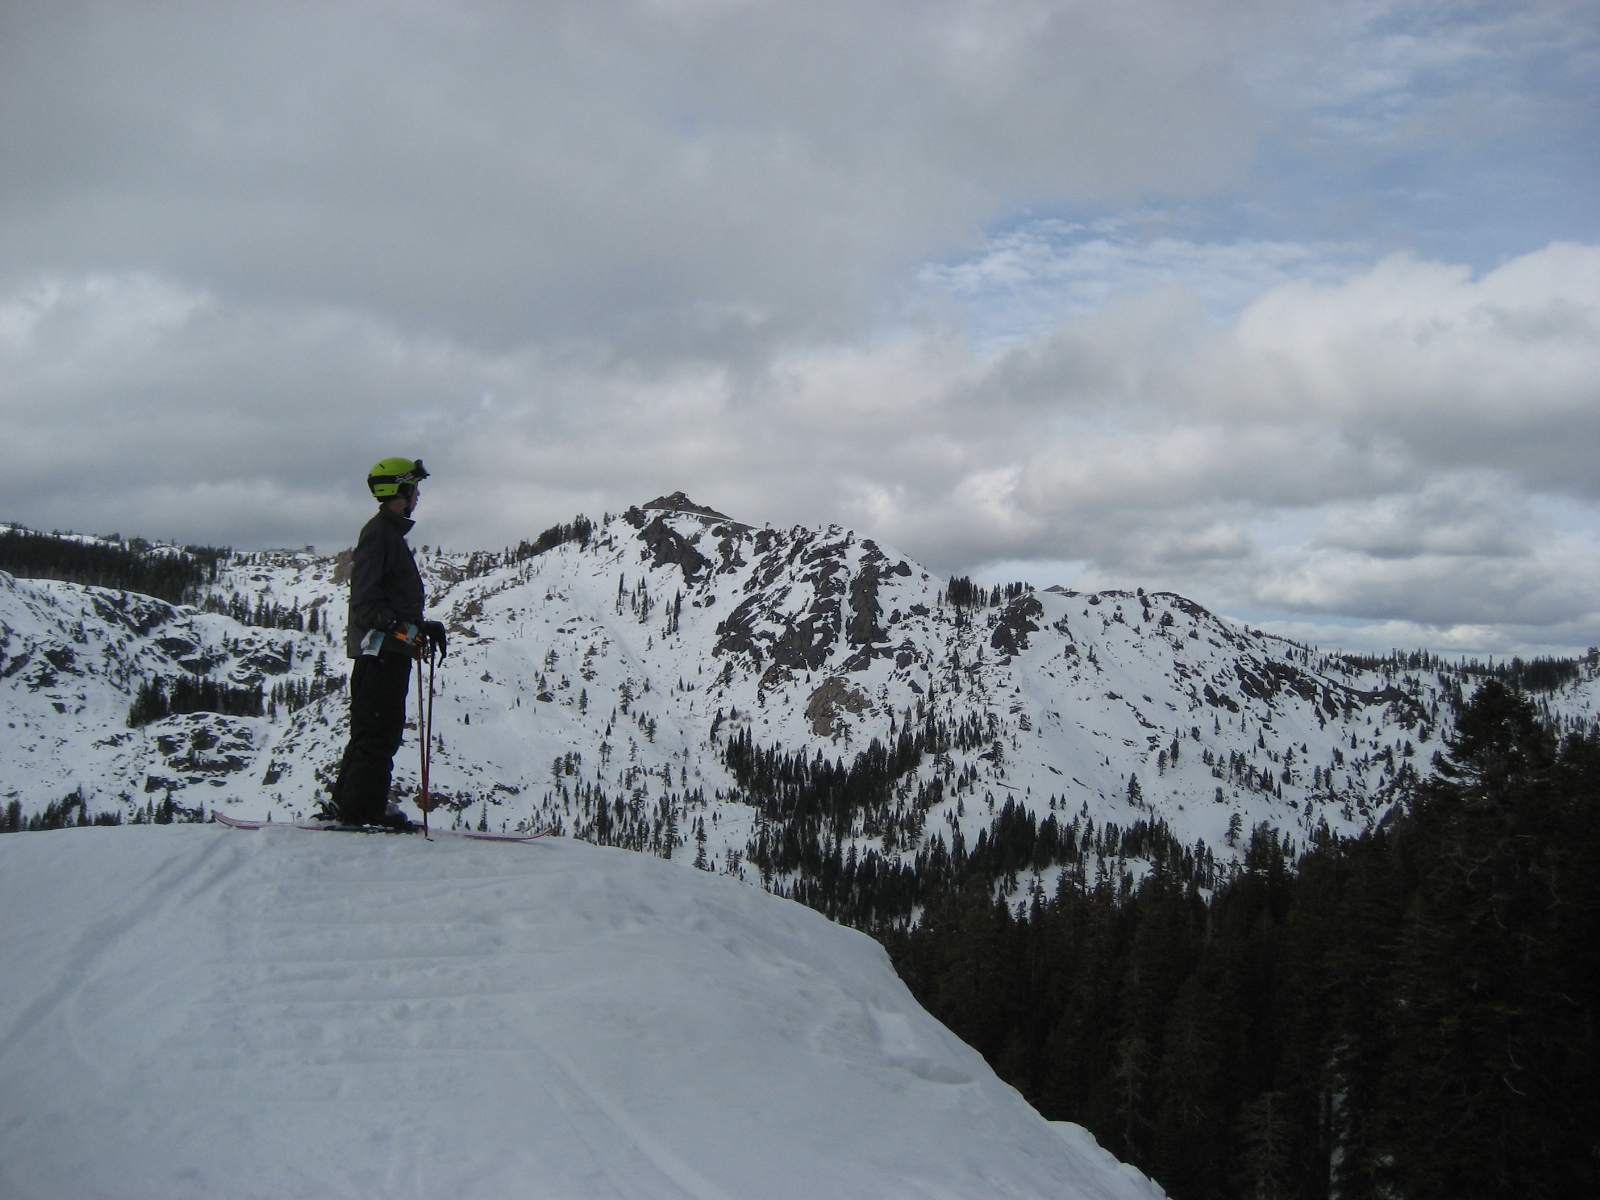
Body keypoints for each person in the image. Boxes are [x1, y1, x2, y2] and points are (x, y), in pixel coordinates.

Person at [327, 457, 448, 829]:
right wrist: (406, 630)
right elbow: (367, 602)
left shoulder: (387, 534)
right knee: (379, 731)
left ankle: (349, 803)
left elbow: (385, 601)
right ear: (399, 490)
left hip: (383, 650)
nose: (418, 495)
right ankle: (363, 810)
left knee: (372, 728)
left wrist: (419, 627)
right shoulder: (380, 533)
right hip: (382, 653)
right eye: (413, 488)